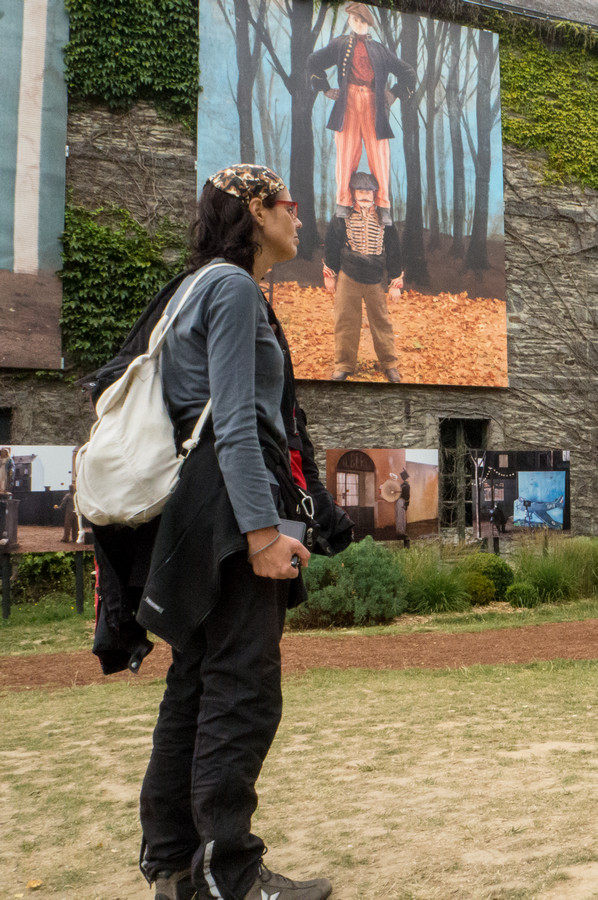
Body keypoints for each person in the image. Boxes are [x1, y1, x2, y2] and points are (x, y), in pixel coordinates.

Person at [120, 164, 334, 900]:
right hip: (229, 512)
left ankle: (175, 866)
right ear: (256, 212)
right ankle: (230, 874)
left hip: (195, 512)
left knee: (194, 684)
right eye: (288, 205)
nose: (299, 218)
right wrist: (261, 534)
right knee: (243, 689)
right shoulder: (235, 288)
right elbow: (237, 423)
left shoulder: (192, 287)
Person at [307, 2, 416, 223]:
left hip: (373, 105)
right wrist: (325, 88)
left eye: (362, 20)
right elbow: (314, 61)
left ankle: (383, 206)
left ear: (368, 24)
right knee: (345, 153)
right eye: (355, 19)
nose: (358, 23)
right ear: (349, 20)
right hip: (347, 104)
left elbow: (408, 72)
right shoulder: (340, 44)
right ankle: (343, 202)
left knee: (379, 155)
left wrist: (394, 93)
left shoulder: (380, 50)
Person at [323, 170, 404, 382]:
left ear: (375, 193)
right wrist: (330, 274)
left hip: (374, 278)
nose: (365, 195)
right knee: (345, 320)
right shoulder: (342, 217)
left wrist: (395, 282)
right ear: (353, 192)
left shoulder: (385, 219)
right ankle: (344, 364)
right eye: (360, 190)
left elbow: (394, 251)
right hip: (348, 275)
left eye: (369, 191)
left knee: (381, 321)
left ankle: (389, 363)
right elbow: (331, 245)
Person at [394, 469, 410, 547]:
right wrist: (406, 504)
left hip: (398, 502)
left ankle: (399, 531)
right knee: (401, 516)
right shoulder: (406, 485)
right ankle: (401, 532)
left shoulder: (401, 485)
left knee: (398, 516)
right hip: (402, 501)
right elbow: (407, 496)